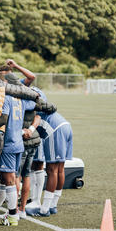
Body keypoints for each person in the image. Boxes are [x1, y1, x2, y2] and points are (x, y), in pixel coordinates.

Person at [0, 73, 38, 226]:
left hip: (9, 143)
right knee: (5, 180)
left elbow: (3, 118)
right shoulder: (21, 100)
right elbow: (35, 102)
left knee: (9, 179)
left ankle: (12, 215)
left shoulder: (6, 99)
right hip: (18, 143)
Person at [27, 88, 73, 217]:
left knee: (52, 170)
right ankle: (53, 205)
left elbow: (35, 119)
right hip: (65, 125)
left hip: (55, 130)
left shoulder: (33, 105)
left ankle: (44, 209)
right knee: (60, 169)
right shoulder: (44, 102)